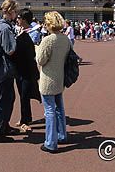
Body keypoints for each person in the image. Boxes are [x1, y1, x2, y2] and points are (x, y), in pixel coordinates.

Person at [36, 11, 70, 153]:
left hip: (48, 79)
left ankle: (50, 142)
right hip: (59, 78)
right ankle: (62, 135)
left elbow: (40, 60)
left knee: (49, 110)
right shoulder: (65, 39)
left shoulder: (48, 40)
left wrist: (37, 49)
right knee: (59, 108)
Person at [0, 0, 21, 143]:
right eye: (15, 11)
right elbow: (10, 50)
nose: (17, 14)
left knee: (9, 97)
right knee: (5, 100)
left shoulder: (2, 26)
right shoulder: (5, 28)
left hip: (3, 67)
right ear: (10, 11)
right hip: (5, 68)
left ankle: (4, 126)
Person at [12, 8, 41, 132]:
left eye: (18, 18)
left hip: (28, 68)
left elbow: (33, 48)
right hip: (19, 68)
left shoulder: (33, 32)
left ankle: (25, 120)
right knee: (23, 94)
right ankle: (26, 117)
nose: (16, 20)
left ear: (23, 19)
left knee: (25, 94)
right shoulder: (19, 30)